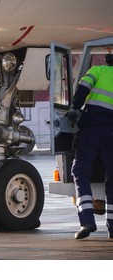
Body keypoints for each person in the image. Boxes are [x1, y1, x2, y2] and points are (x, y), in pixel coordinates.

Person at [68, 53, 113, 239]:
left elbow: (82, 90)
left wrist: (74, 109)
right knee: (112, 178)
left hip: (92, 130)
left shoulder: (97, 70)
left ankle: (87, 220)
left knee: (80, 172)